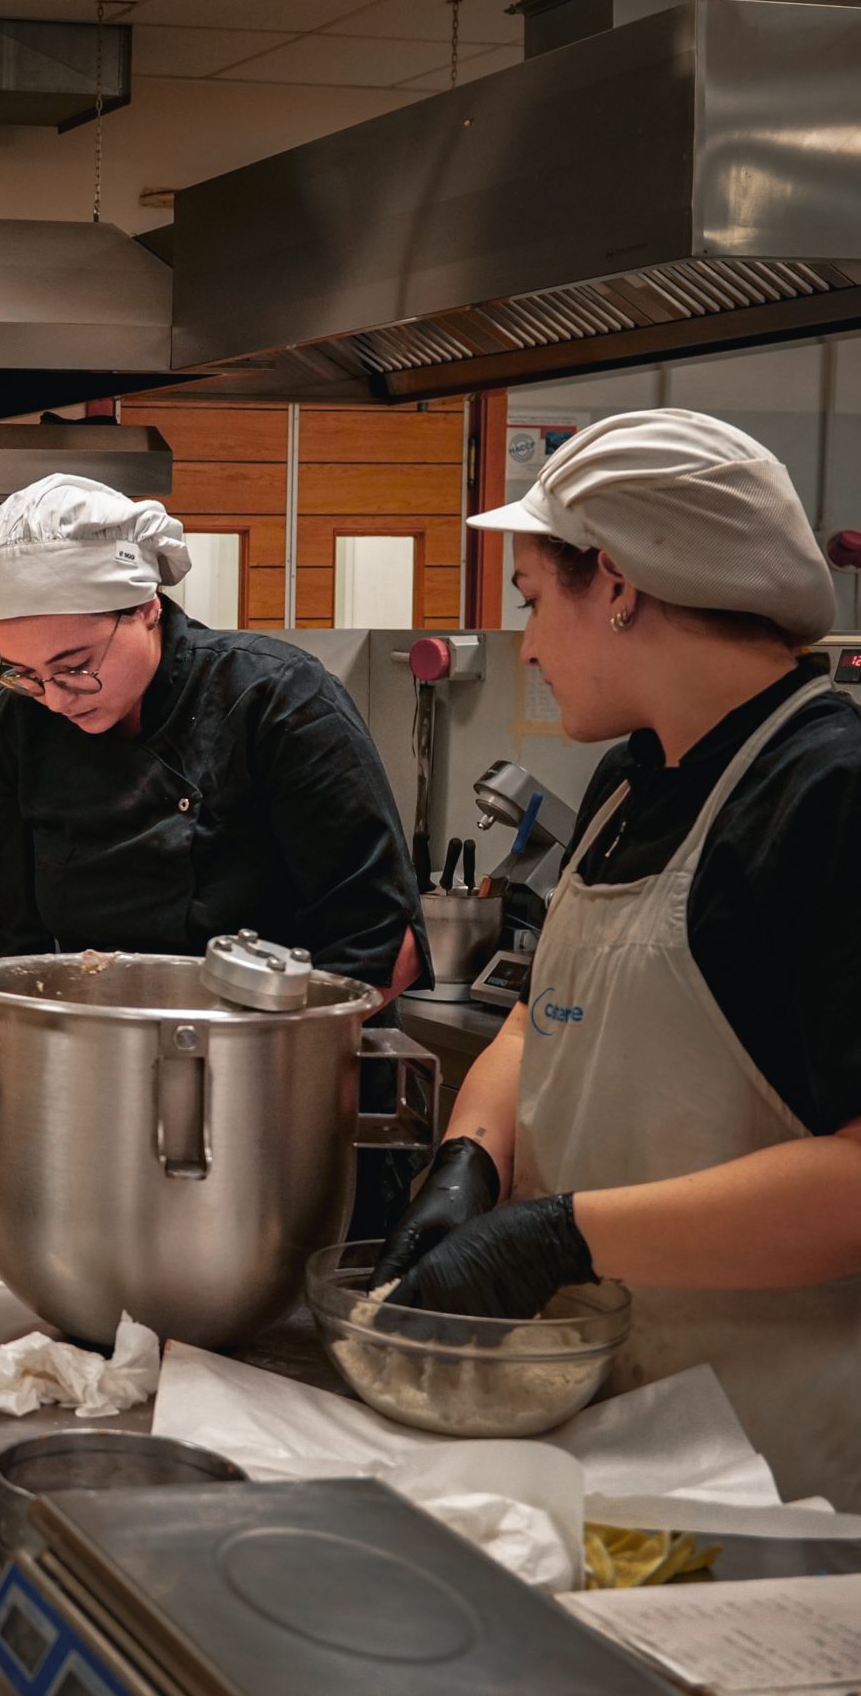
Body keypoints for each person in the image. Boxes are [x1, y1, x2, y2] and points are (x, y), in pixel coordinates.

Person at [372, 410, 861, 1510]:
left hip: (775, 1477)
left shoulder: (830, 797)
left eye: (533, 601)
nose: (529, 649)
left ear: (621, 584)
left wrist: (561, 1237)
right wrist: (470, 1160)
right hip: (607, 1428)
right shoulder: (631, 780)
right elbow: (539, 1017)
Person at [0, 473, 424, 999]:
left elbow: (383, 944)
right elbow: (3, 933)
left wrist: (260, 1047)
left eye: (75, 667)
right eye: (26, 672)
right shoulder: (21, 719)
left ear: (146, 608)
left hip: (286, 1037)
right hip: (96, 1037)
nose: (54, 698)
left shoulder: (277, 700)